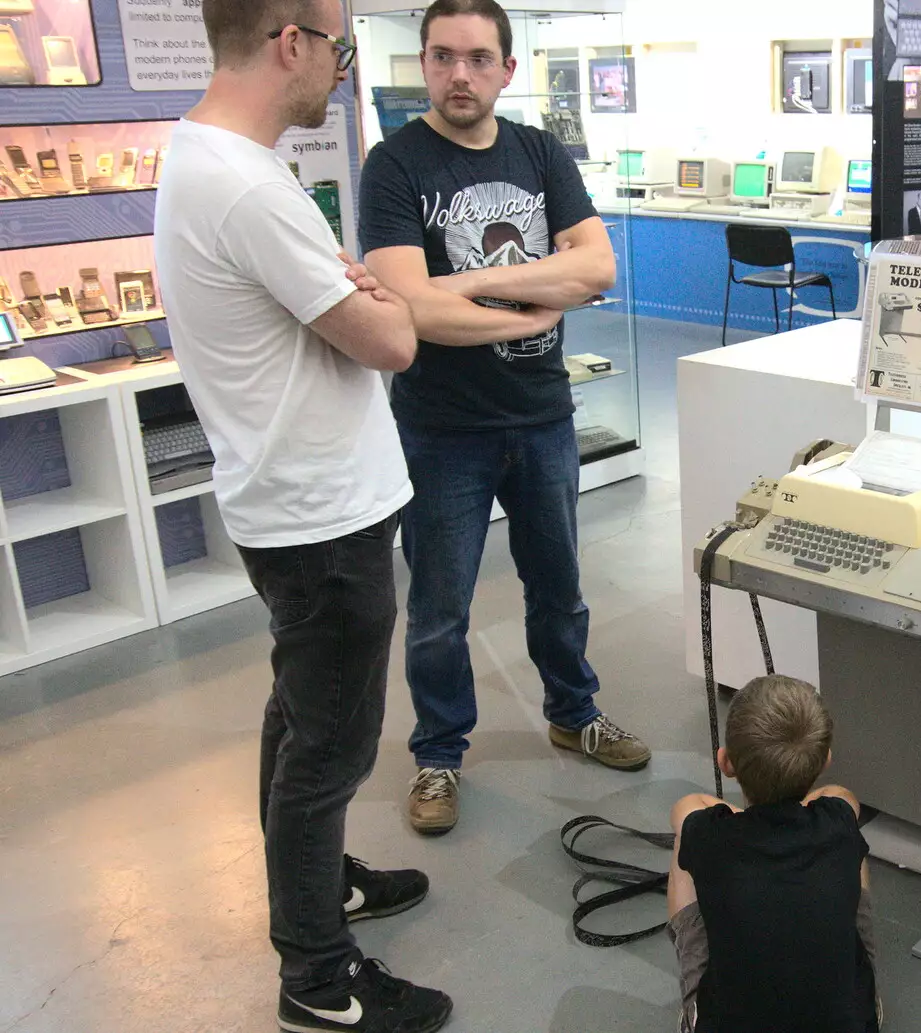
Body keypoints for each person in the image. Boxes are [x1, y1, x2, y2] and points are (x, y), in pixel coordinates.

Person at [153, 0, 452, 1029]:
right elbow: (390, 340)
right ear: (291, 41)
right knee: (329, 748)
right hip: (319, 521)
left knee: (299, 722)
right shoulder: (245, 187)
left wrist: (368, 299)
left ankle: (320, 889)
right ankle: (318, 975)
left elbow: (351, 308)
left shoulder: (207, 160)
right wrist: (387, 304)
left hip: (293, 507)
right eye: (340, 46)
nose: (340, 67)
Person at [359, 0, 651, 838]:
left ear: (506, 71)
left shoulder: (539, 151)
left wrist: (458, 289)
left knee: (559, 586)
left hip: (541, 417)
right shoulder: (395, 167)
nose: (461, 74)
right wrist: (531, 305)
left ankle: (574, 709)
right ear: (423, 63)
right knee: (442, 605)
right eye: (444, 57)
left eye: (479, 58)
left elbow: (596, 266)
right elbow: (411, 314)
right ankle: (439, 754)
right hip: (443, 430)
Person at [668, 675, 880, 1033]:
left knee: (684, 843)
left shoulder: (708, 835)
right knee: (849, 843)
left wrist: (735, 817)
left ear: (725, 762)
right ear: (825, 759)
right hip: (850, 1025)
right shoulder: (839, 819)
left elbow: (685, 809)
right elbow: (841, 797)